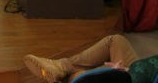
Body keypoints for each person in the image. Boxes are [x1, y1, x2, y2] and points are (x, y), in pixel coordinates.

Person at [24, 34, 158, 82]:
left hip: (136, 78)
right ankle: (61, 67)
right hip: (139, 69)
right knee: (115, 41)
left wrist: (126, 74)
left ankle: (67, 74)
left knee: (87, 78)